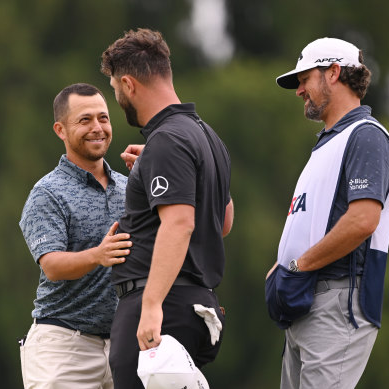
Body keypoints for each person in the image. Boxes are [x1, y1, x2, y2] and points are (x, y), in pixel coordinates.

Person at [100, 28, 234, 388]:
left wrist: (151, 305)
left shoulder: (167, 140)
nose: (119, 101)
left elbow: (179, 224)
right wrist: (153, 169)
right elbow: (223, 221)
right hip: (196, 303)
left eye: (115, 91)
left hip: (163, 304)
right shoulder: (207, 136)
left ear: (128, 84)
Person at [265, 37, 389, 389]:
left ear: (334, 73)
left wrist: (298, 266)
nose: (299, 90)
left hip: (337, 300)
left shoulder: (366, 136)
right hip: (308, 301)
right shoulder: (331, 140)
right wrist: (284, 269)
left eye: (305, 78)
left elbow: (363, 220)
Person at [18, 83, 131, 389]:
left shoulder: (129, 186)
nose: (97, 128)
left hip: (123, 346)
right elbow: (52, 266)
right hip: (63, 345)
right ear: (60, 130)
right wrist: (99, 255)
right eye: (85, 120)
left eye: (103, 118)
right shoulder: (47, 193)